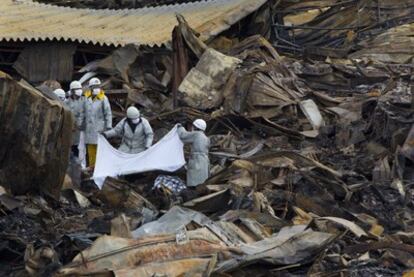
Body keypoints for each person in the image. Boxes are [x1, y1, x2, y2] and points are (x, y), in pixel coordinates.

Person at [84, 77, 112, 168]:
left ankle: (101, 168)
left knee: (100, 150)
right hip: (89, 130)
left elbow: (108, 113)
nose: (96, 88)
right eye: (94, 86)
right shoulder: (85, 98)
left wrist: (108, 127)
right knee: (91, 151)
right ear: (90, 88)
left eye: (98, 86)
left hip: (100, 128)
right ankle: (92, 169)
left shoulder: (103, 98)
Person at [177, 119, 210, 187]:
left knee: (194, 179)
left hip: (197, 160)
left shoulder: (197, 134)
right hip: (204, 160)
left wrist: (180, 127)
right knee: (202, 178)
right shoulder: (206, 137)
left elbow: (183, 136)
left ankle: (193, 191)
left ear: (195, 127)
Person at [66, 81, 84, 158]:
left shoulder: (83, 101)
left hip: (80, 129)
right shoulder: (67, 102)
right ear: (72, 91)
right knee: (70, 146)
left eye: (80, 88)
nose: (79, 90)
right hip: (69, 128)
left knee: (79, 147)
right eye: (77, 89)